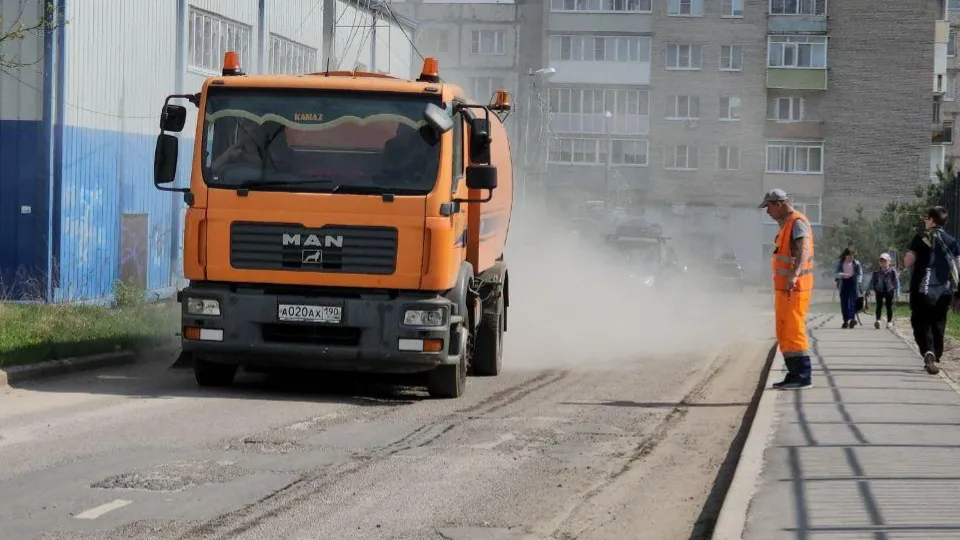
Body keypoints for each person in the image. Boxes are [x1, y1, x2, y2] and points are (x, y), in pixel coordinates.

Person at [760, 189, 815, 389]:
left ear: (779, 204)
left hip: (795, 288)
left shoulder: (797, 223)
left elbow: (804, 250)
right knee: (784, 331)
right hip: (786, 290)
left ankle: (802, 376)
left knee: (794, 330)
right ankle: (794, 374)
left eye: (768, 207)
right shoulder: (786, 225)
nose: (767, 212)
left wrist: (795, 274)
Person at [904, 206, 960, 374]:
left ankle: (927, 350)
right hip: (944, 290)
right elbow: (958, 265)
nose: (925, 221)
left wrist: (906, 259)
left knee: (920, 320)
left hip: (922, 288)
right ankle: (936, 353)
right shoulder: (951, 240)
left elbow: (908, 261)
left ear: (932, 220)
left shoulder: (920, 238)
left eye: (927, 218)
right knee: (938, 321)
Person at [865, 253, 900, 329]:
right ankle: (878, 320)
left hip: (889, 290)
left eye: (884, 261)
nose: (883, 263)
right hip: (879, 290)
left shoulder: (892, 272)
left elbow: (897, 282)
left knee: (889, 306)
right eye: (881, 261)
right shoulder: (876, 272)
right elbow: (872, 281)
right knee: (879, 306)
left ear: (889, 262)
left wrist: (898, 292)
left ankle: (889, 322)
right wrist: (868, 290)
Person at [834, 248, 863, 328]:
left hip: (853, 283)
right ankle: (845, 321)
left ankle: (851, 319)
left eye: (852, 256)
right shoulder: (840, 263)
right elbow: (835, 274)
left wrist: (859, 282)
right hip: (843, 284)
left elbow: (860, 274)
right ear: (845, 255)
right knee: (844, 304)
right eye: (849, 256)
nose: (850, 258)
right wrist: (842, 274)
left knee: (853, 303)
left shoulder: (856, 263)